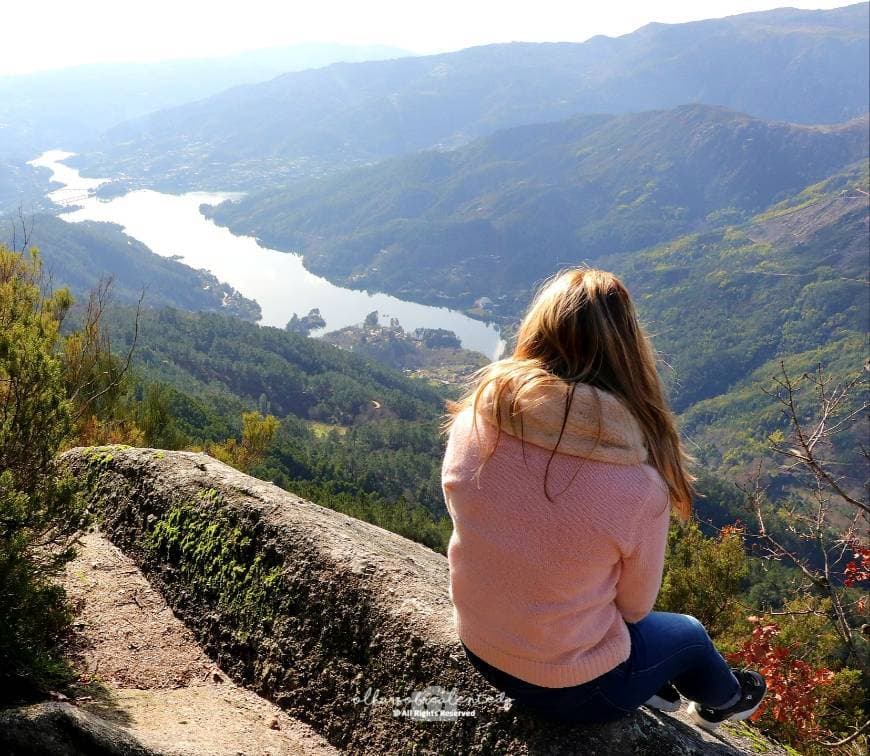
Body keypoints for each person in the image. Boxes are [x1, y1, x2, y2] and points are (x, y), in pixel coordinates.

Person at [440, 267, 766, 730]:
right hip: (573, 691)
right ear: (629, 352)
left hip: (479, 644)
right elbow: (634, 608)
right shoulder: (636, 484)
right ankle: (728, 699)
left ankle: (657, 686)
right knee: (689, 635)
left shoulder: (475, 421)